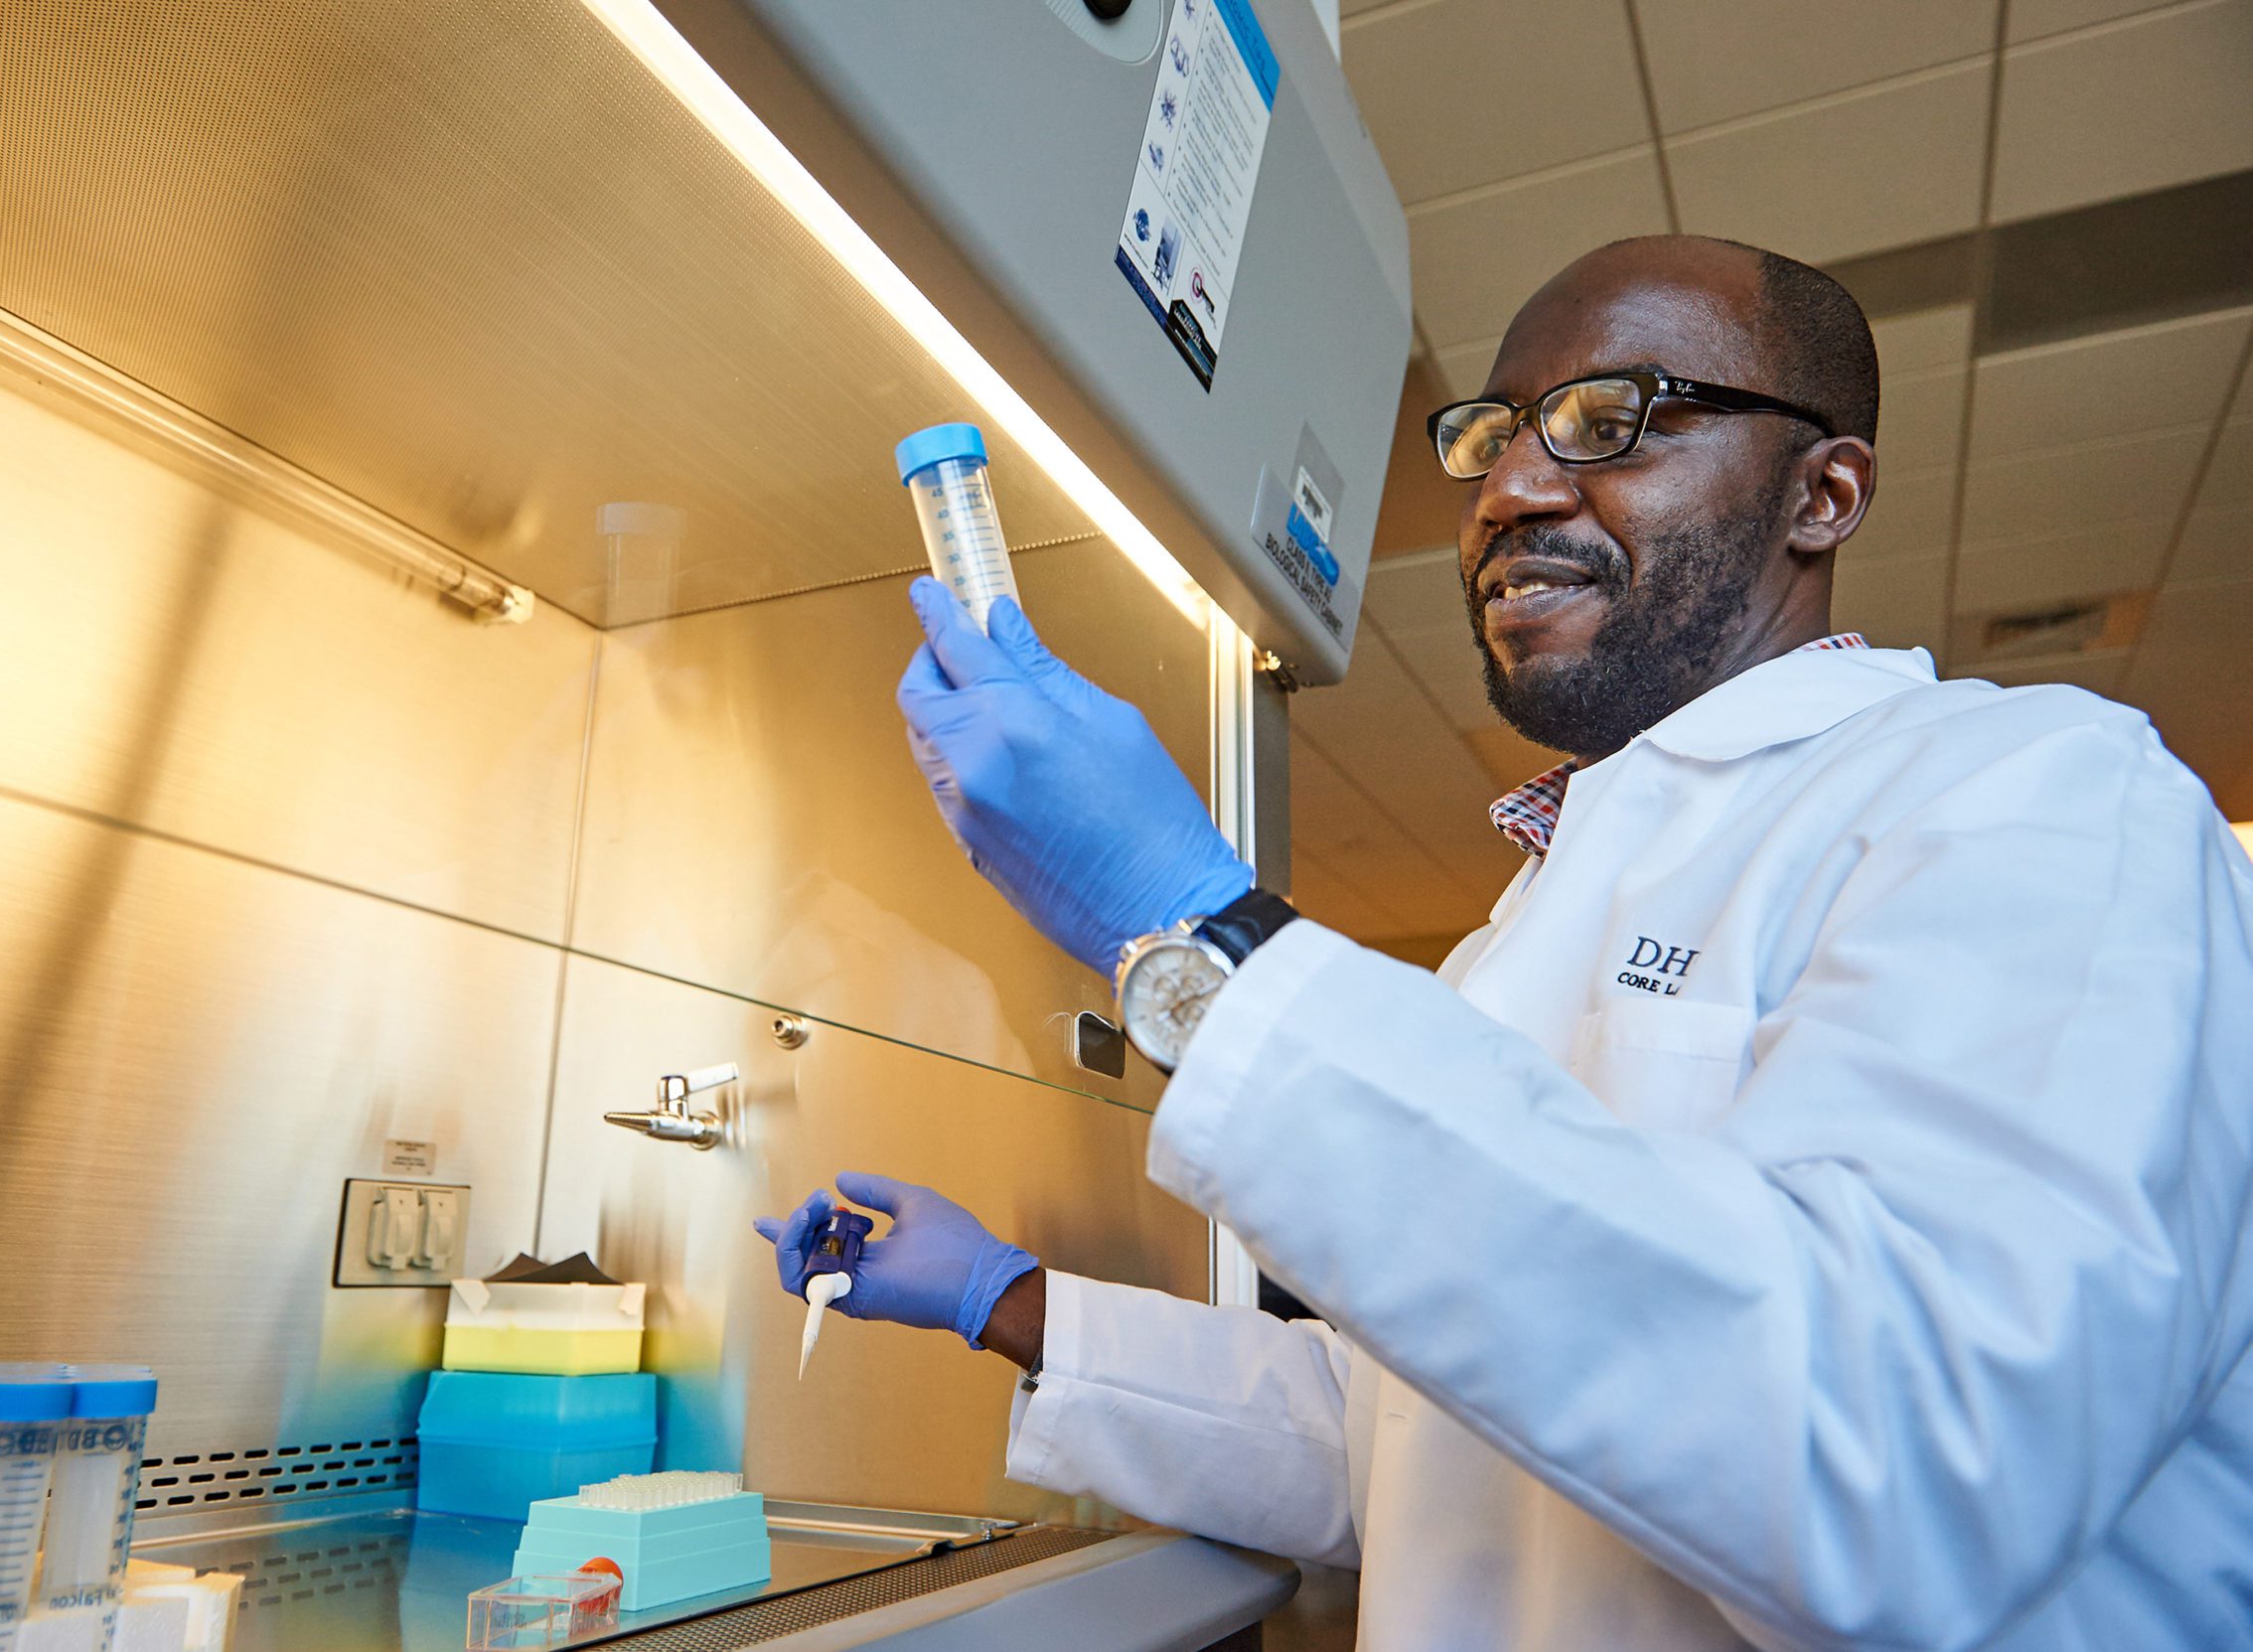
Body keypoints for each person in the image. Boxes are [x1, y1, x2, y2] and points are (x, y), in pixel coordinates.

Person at [754, 236, 2253, 1650]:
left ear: (1826, 494)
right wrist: (1002, 1301)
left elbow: (1918, 1455)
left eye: (1613, 421)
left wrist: (1198, 927)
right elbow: (1405, 1443)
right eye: (1492, 435)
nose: (1513, 489)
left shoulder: (2038, 793)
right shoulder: (1512, 936)